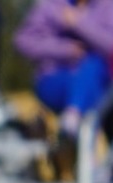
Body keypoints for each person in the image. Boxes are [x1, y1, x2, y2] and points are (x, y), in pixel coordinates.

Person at [14, 0, 113, 141]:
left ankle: (73, 117)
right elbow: (23, 41)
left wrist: (78, 23)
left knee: (93, 62)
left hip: (96, 82)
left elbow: (110, 45)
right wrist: (65, 50)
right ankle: (78, 125)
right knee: (93, 104)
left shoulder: (107, 6)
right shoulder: (52, 5)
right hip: (56, 79)